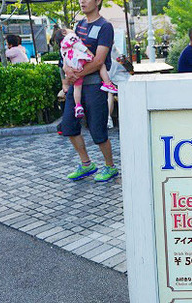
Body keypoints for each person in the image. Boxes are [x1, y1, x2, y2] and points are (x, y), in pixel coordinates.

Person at [61, 0, 118, 183]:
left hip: (95, 85)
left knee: (97, 130)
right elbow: (69, 50)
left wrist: (75, 75)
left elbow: (99, 60)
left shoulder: (105, 27)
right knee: (68, 126)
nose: (82, 1)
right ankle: (86, 164)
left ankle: (110, 166)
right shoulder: (79, 25)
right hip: (76, 86)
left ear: (98, 1)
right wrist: (67, 69)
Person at [60, 29, 118, 119]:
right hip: (79, 59)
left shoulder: (62, 45)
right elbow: (79, 46)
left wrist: (67, 67)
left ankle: (78, 105)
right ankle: (107, 83)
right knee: (100, 64)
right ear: (64, 32)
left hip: (72, 64)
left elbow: (63, 57)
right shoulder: (70, 36)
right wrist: (89, 53)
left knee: (77, 87)